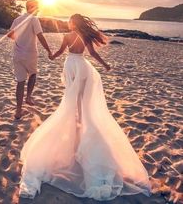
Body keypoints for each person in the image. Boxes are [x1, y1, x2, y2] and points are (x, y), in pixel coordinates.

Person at [19, 14, 151, 201]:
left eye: (70, 21)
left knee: (70, 95)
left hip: (70, 64)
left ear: (73, 23)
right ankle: (80, 118)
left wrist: (51, 56)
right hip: (81, 64)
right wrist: (104, 64)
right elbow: (92, 54)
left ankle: (77, 118)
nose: (69, 23)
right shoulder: (86, 36)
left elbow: (60, 52)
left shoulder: (67, 35)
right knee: (80, 95)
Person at [7, 0, 52, 119]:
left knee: (20, 82)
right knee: (33, 74)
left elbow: (9, 34)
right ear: (34, 8)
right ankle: (28, 97)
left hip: (17, 54)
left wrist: (19, 39)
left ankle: (18, 111)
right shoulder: (34, 19)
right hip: (30, 54)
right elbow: (40, 36)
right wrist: (48, 50)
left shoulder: (17, 19)